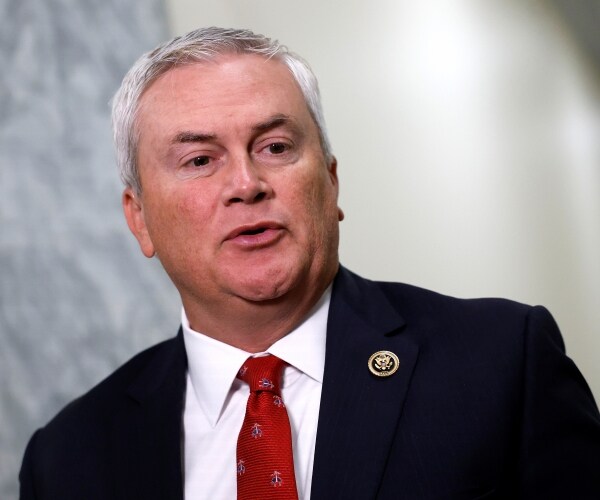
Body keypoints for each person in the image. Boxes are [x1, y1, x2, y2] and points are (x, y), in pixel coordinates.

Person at [20, 27, 600, 500]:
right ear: (139, 218)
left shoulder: (502, 361)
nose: (246, 184)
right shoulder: (67, 459)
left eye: (275, 147)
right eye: (199, 160)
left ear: (330, 180)